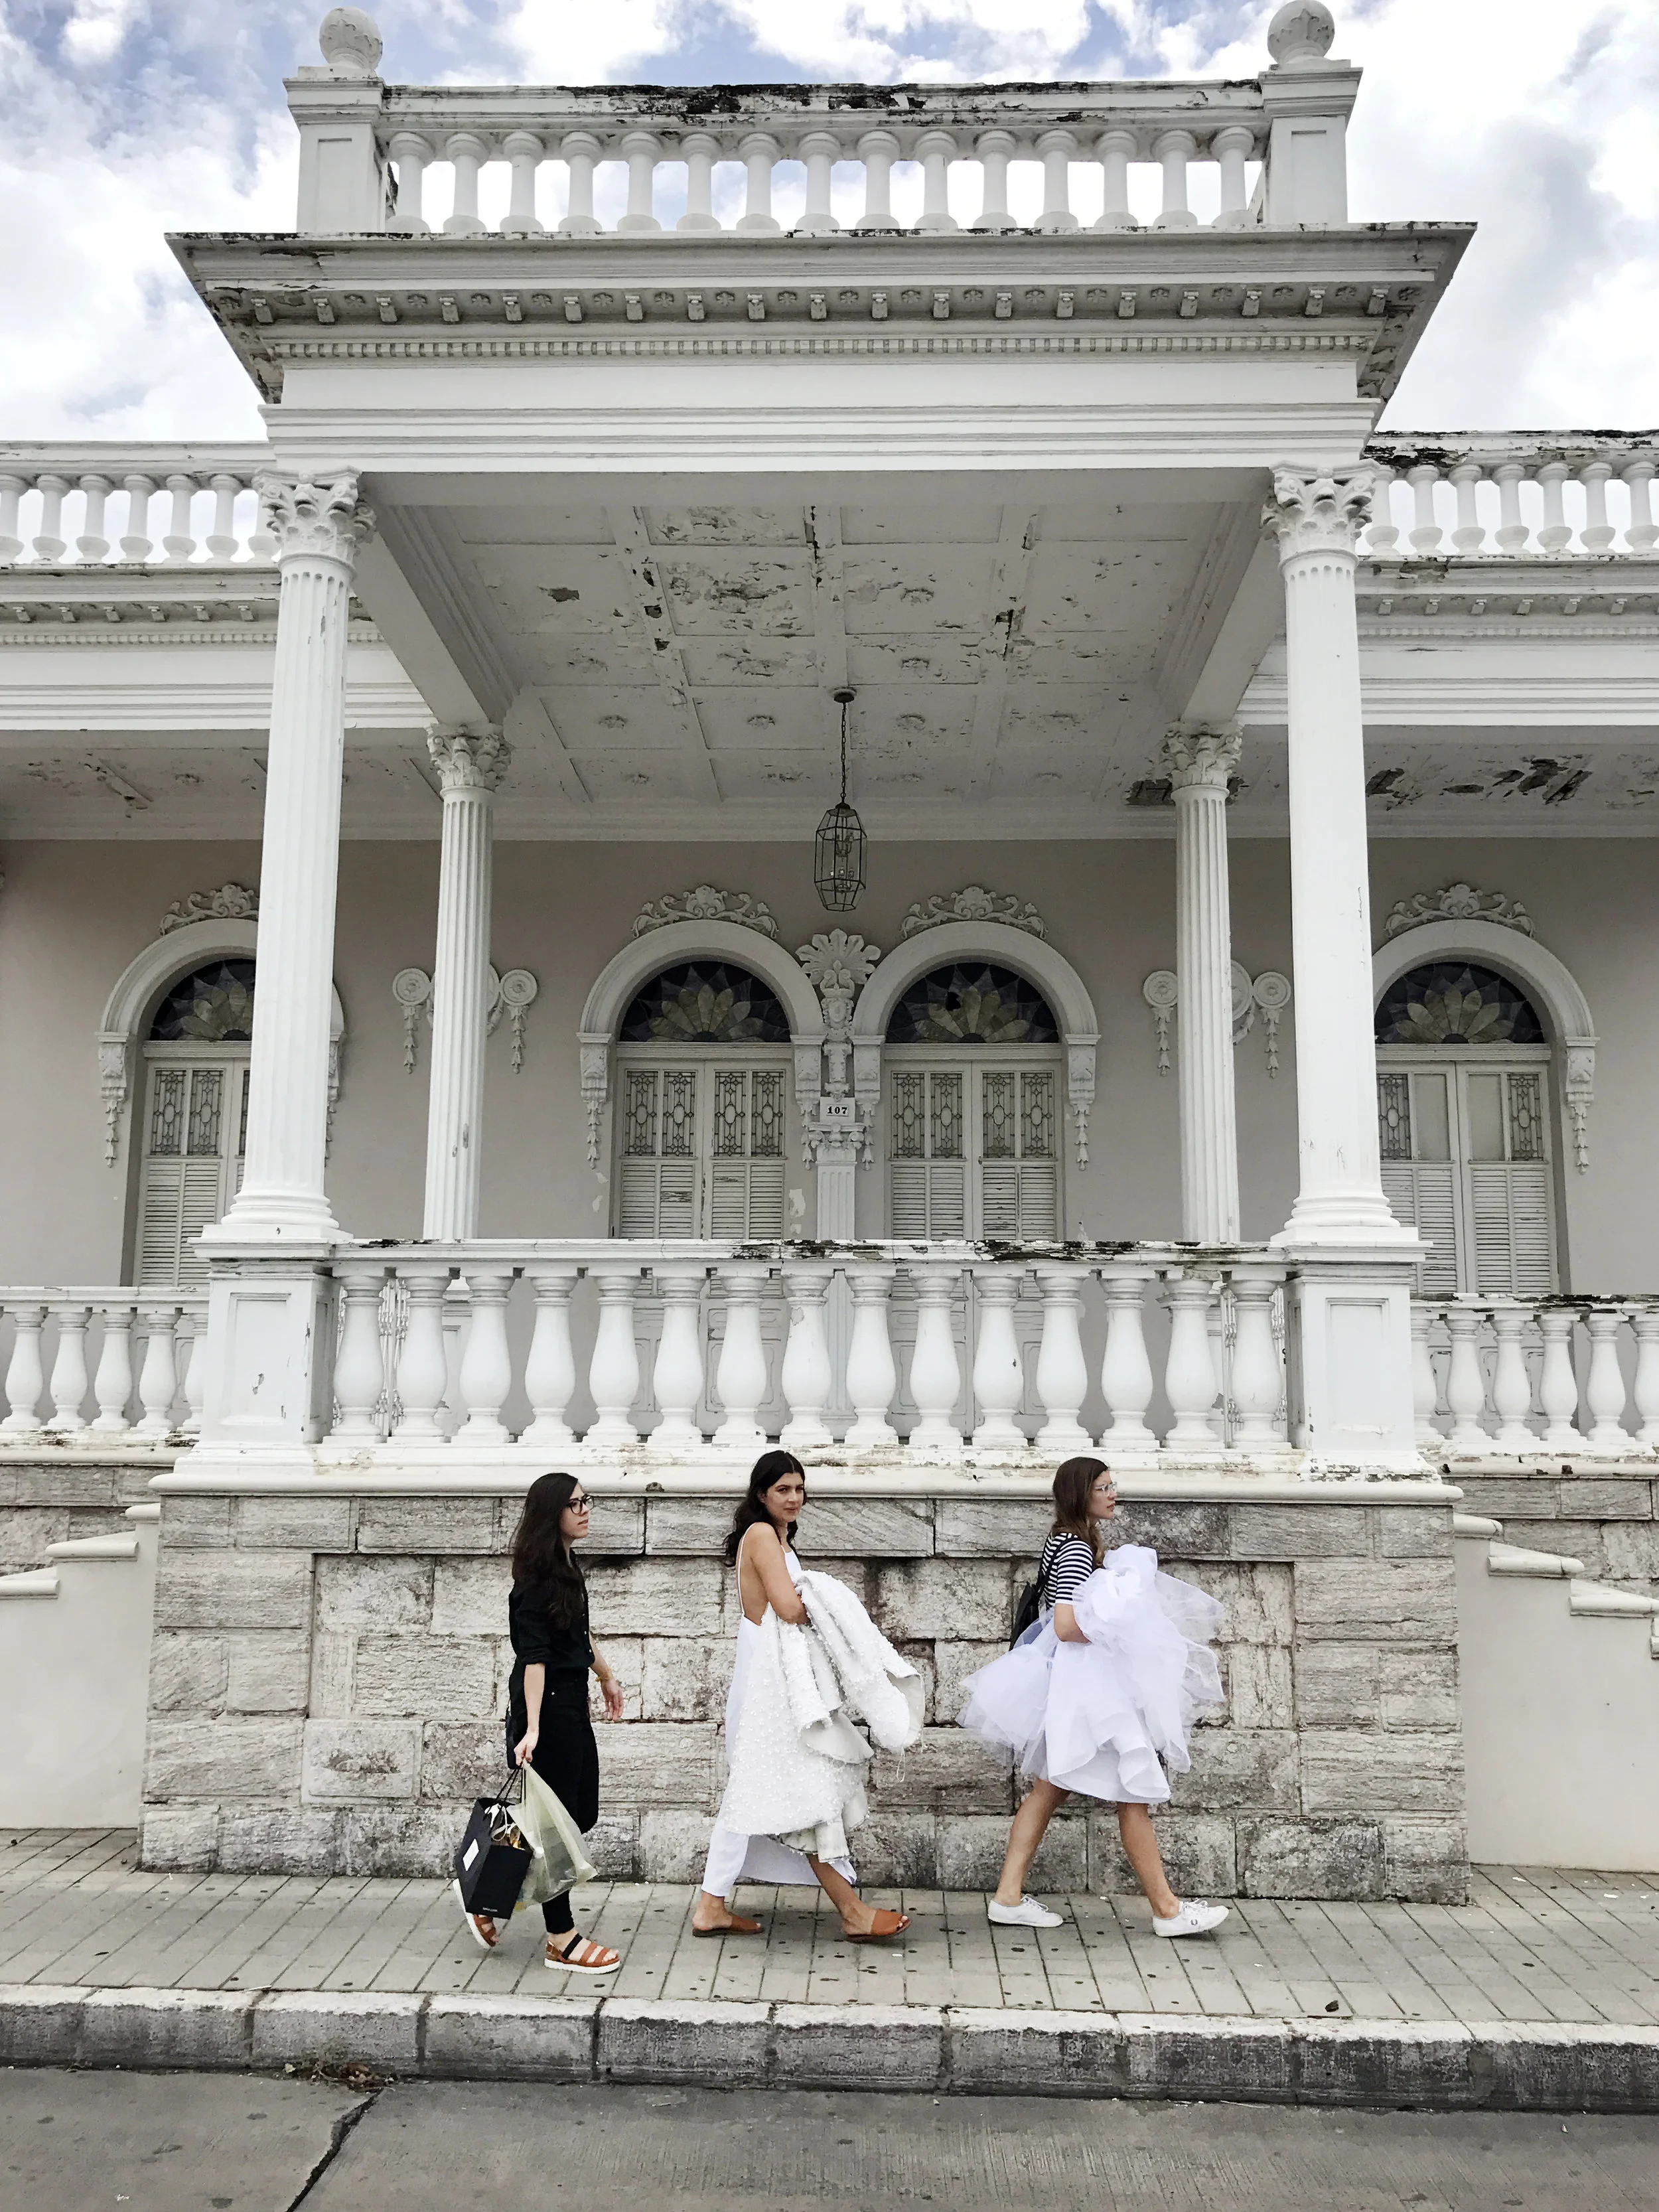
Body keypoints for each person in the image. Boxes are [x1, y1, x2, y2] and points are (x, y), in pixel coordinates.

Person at [958, 1455, 1230, 1941]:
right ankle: (1167, 1910)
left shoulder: (1064, 1539)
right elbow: (1065, 1626)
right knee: (1133, 1790)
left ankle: (1008, 1896)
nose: (1113, 1492)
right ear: (1080, 1493)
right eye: (1103, 1486)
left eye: (1112, 1484)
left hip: (1079, 1685)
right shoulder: (1076, 1547)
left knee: (1049, 1788)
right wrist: (1120, 1626)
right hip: (1091, 1690)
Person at [691, 1449, 909, 1944]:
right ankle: (850, 1908)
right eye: (783, 1489)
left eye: (799, 1488)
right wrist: (837, 1607)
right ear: (761, 1494)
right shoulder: (763, 1535)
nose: (794, 1497)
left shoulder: (775, 1537)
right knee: (804, 1785)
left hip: (771, 1680)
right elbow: (789, 1607)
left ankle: (711, 1904)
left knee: (751, 1789)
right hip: (767, 1686)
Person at [457, 1471, 626, 1973]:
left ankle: (490, 1887)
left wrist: (607, 1676)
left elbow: (577, 1635)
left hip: (570, 1701)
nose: (585, 1509)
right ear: (552, 1512)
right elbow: (534, 1659)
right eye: (576, 1503)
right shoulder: (534, 1581)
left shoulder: (567, 1567)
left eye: (586, 1500)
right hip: (548, 1708)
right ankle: (562, 1938)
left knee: (580, 1814)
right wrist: (531, 1728)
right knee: (559, 1827)